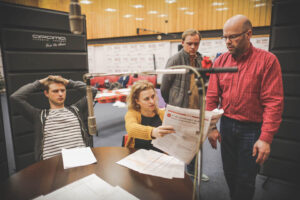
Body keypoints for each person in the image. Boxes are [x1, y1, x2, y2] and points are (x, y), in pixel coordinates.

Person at [206, 15, 284, 200]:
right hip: (227, 124)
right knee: (230, 173)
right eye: (224, 37)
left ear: (249, 34)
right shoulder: (221, 62)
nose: (227, 42)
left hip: (252, 129)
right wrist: (210, 127)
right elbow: (211, 97)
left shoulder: (268, 61)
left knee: (246, 178)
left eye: (232, 37)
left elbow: (273, 102)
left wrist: (265, 138)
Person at [10, 75, 97, 161]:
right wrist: (40, 82)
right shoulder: (38, 115)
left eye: (63, 90)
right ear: (46, 93)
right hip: (52, 164)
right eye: (55, 91)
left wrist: (68, 82)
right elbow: (15, 97)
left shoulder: (76, 109)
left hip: (81, 159)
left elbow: (92, 91)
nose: (60, 94)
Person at [160, 29, 209, 182]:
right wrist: (173, 104)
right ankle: (173, 175)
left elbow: (204, 83)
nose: (193, 47)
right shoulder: (174, 59)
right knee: (175, 143)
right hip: (178, 109)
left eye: (196, 43)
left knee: (194, 144)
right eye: (189, 43)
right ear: (182, 43)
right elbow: (164, 87)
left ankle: (193, 171)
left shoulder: (201, 60)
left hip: (196, 110)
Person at [125, 80, 175, 150]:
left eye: (153, 96)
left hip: (160, 156)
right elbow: (131, 128)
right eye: (146, 99)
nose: (152, 101)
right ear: (137, 101)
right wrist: (153, 132)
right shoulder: (132, 113)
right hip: (137, 155)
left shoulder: (162, 113)